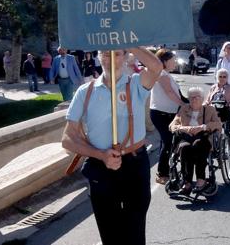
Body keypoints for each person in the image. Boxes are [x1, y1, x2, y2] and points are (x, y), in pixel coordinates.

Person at [62, 47, 162, 245]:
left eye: (117, 53)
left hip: (135, 163)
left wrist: (126, 40)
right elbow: (67, 138)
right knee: (110, 234)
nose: (111, 59)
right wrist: (101, 155)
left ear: (125, 57)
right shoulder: (85, 92)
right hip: (101, 166)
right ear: (99, 57)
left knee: (134, 232)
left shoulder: (135, 83)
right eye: (106, 54)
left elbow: (156, 66)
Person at [169, 87, 222, 195]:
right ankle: (187, 183)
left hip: (204, 137)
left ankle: (201, 180)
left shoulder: (209, 109)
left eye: (197, 97)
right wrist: (183, 128)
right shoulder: (184, 109)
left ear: (202, 98)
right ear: (188, 99)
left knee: (198, 146)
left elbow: (218, 124)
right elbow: (172, 125)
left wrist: (203, 127)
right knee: (184, 148)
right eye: (192, 97)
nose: (194, 99)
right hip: (187, 137)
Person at [150, 49, 186, 185]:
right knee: (168, 141)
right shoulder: (162, 75)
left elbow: (176, 94)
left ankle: (165, 170)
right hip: (160, 114)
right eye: (173, 60)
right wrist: (183, 104)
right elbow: (170, 93)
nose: (175, 62)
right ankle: (162, 174)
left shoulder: (166, 74)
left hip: (166, 113)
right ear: (165, 62)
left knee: (166, 142)